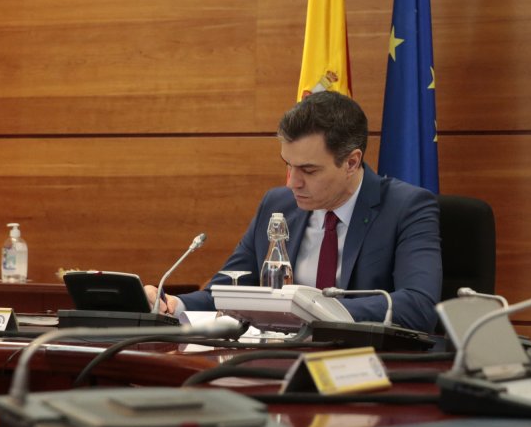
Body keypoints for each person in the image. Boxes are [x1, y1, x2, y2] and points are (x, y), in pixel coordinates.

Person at [143, 91, 442, 332]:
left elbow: (418, 306)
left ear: (351, 162)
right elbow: (227, 291)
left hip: (364, 370)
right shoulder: (277, 205)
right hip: (274, 363)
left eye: (308, 170)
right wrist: (173, 304)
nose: (293, 182)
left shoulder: (407, 207)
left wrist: (307, 309)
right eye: (288, 165)